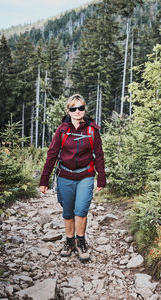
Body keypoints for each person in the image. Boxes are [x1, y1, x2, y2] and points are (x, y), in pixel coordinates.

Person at [39, 94, 106, 261]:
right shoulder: (62, 130)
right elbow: (52, 154)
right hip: (65, 175)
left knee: (81, 210)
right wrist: (44, 180)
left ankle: (81, 242)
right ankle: (69, 241)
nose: (77, 111)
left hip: (86, 175)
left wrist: (101, 178)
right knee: (68, 211)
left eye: (80, 108)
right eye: (73, 108)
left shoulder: (92, 130)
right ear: (68, 110)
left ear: (84, 109)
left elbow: (99, 155)